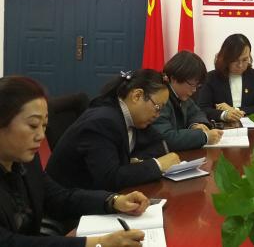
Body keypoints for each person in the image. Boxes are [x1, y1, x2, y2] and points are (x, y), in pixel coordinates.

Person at [0, 75, 149, 247]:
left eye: (44, 125)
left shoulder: (25, 161)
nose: (41, 136)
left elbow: (59, 197)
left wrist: (113, 201)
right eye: (33, 125)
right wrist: (98, 243)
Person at [46, 70, 181, 192]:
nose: (158, 115)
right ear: (137, 96)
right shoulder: (103, 122)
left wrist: (135, 161)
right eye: (157, 108)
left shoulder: (131, 117)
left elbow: (159, 143)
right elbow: (109, 179)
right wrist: (157, 165)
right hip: (70, 201)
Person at [152, 50, 223, 150]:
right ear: (174, 78)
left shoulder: (181, 94)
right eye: (192, 84)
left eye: (197, 85)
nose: (194, 90)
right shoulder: (159, 97)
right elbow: (165, 138)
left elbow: (197, 112)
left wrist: (196, 125)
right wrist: (204, 137)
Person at [196, 34, 254, 122]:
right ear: (226, 58)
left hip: (247, 126)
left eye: (245, 60)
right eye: (235, 60)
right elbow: (202, 109)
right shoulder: (212, 77)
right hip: (221, 127)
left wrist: (234, 110)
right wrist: (224, 114)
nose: (240, 65)